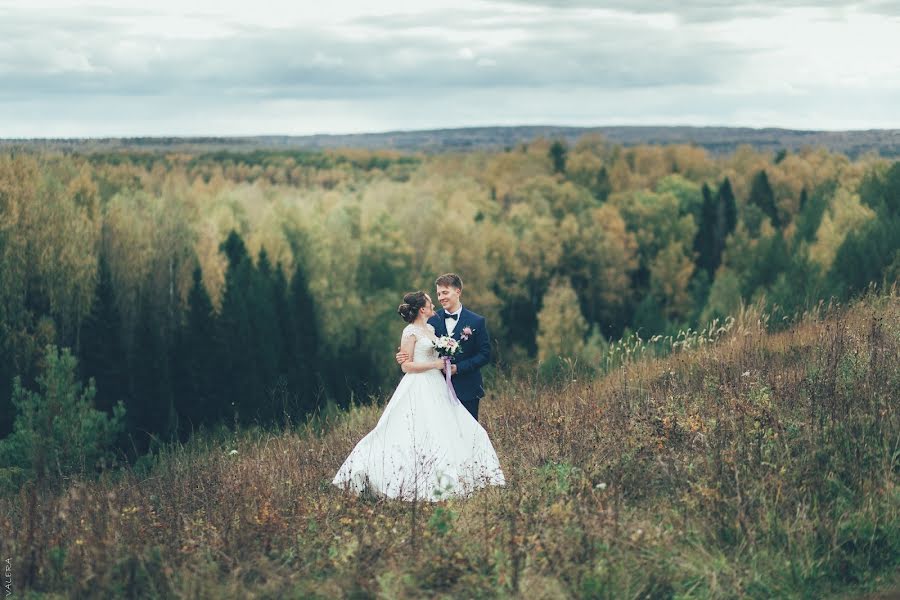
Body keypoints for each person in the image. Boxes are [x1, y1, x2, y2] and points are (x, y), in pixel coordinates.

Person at [332, 291, 504, 501]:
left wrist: (447, 355)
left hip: (438, 385)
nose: (434, 304)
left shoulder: (431, 328)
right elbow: (406, 365)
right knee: (411, 432)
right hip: (418, 385)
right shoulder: (409, 332)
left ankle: (452, 479)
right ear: (423, 309)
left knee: (447, 430)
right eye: (431, 302)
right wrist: (435, 364)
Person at [396, 273, 491, 421]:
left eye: (445, 293)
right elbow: (416, 341)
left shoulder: (476, 321)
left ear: (458, 291)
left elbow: (484, 354)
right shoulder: (430, 320)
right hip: (434, 390)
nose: (441, 298)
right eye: (438, 294)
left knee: (468, 435)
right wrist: (402, 355)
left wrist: (458, 368)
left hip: (467, 389)